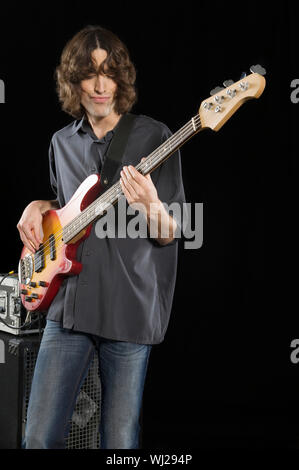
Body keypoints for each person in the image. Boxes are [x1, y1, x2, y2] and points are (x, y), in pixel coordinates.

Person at [17, 25, 186, 449]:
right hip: (69, 308)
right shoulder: (61, 142)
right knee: (37, 438)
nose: (99, 85)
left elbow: (171, 233)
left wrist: (150, 205)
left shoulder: (154, 136)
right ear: (73, 82)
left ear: (121, 79)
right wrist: (37, 208)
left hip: (128, 312)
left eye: (109, 73)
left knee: (120, 442)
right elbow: (63, 211)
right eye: (89, 74)